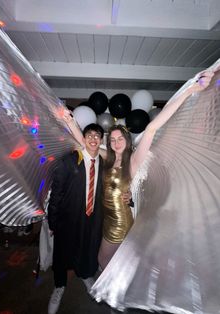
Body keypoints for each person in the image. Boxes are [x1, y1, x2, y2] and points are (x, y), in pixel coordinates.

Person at [61, 70, 214, 274]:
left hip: (120, 223)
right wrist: (69, 121)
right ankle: (118, 290)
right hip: (106, 219)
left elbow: (151, 129)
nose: (115, 143)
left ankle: (117, 294)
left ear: (127, 141)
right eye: (112, 139)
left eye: (120, 139)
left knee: (104, 260)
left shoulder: (133, 160)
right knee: (111, 261)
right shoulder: (107, 157)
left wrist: (188, 92)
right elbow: (84, 142)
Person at [47, 123, 104, 314]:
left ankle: (86, 275)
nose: (93, 138)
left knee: (88, 248)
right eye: (89, 135)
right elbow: (56, 194)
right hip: (68, 218)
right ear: (84, 138)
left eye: (97, 135)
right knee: (62, 252)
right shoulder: (70, 161)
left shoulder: (104, 164)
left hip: (93, 217)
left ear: (101, 140)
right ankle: (59, 286)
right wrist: (53, 221)